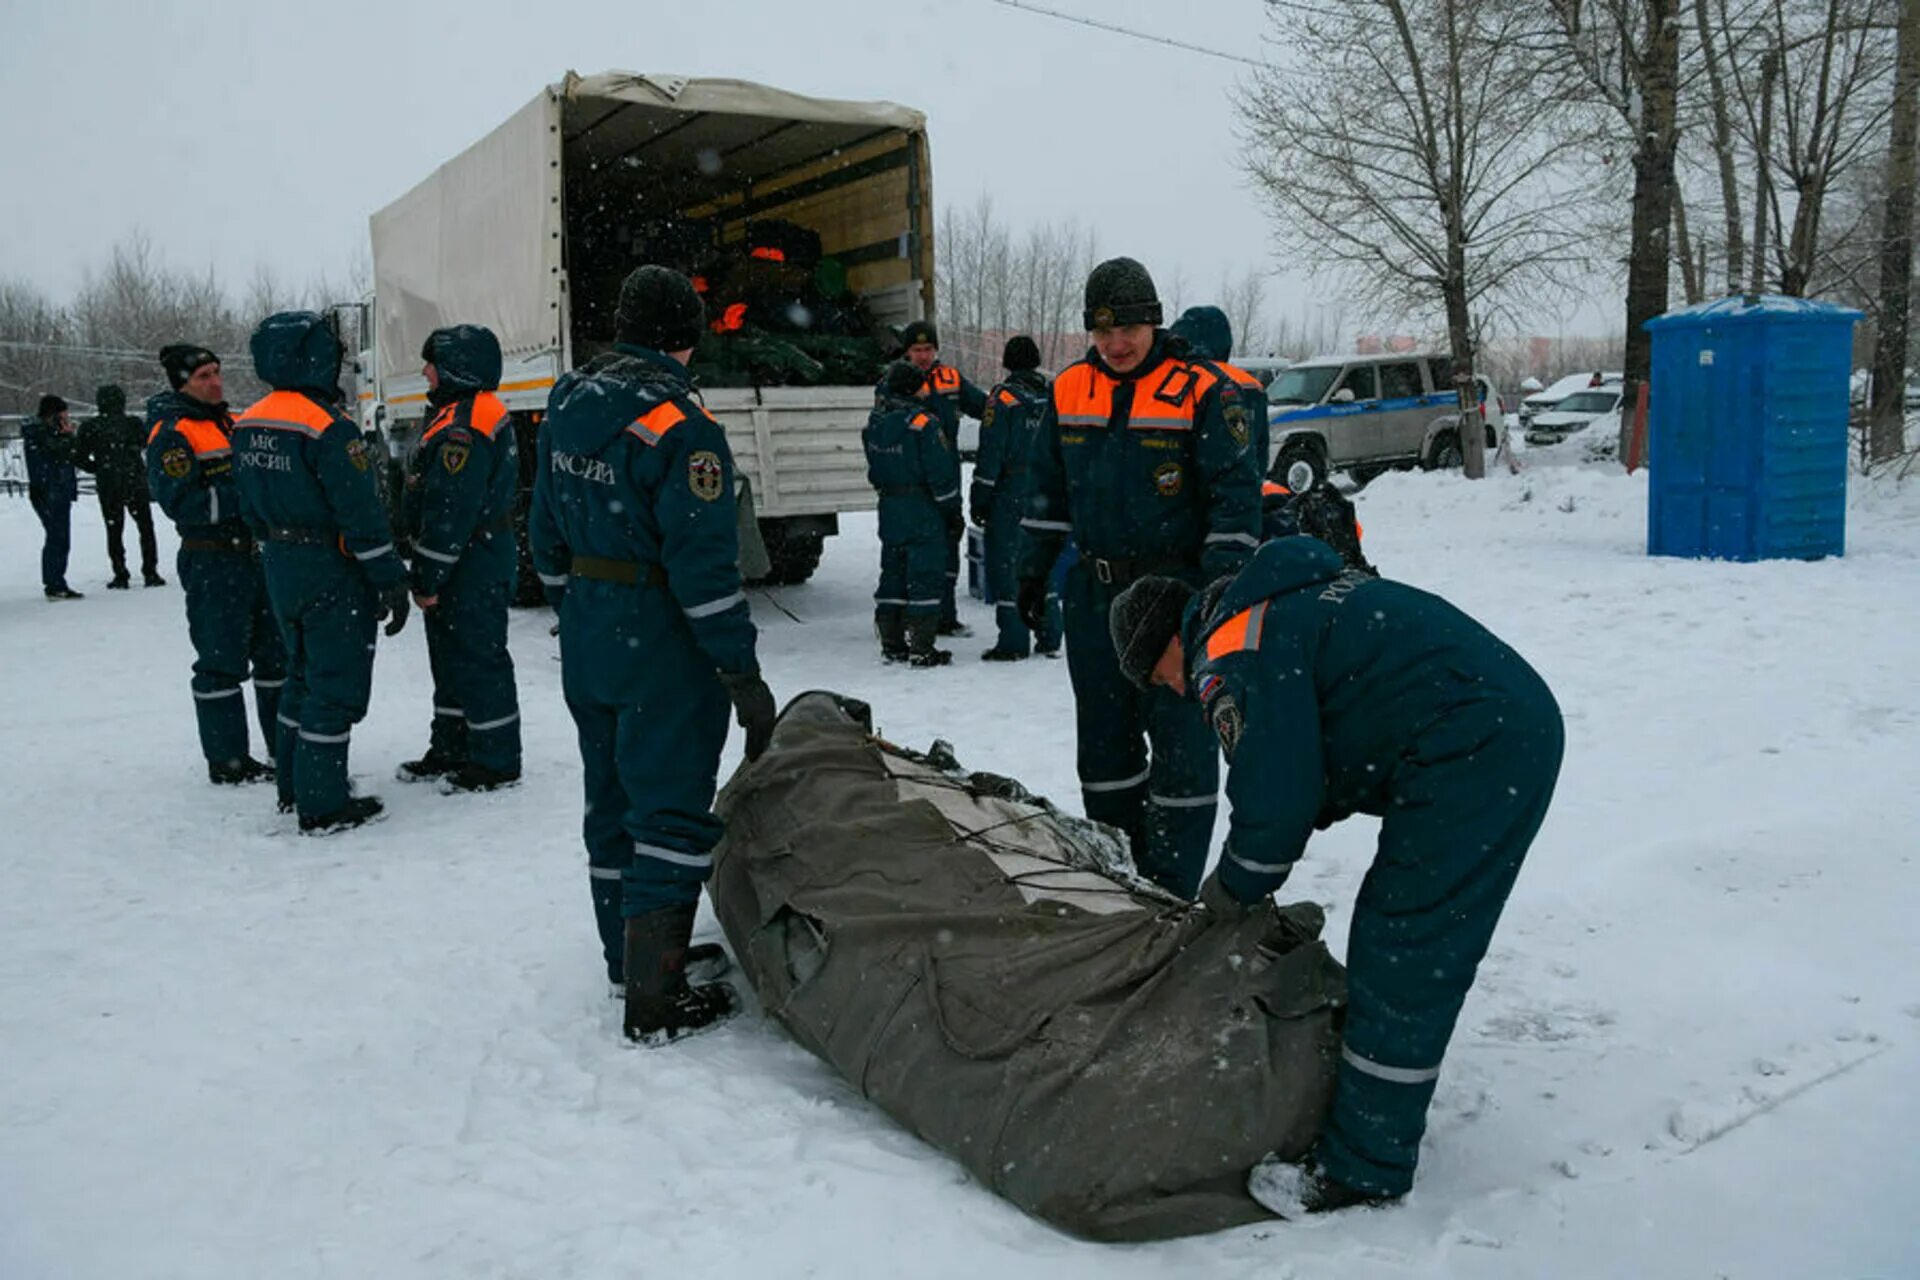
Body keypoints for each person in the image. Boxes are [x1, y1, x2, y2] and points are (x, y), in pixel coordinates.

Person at [1107, 542, 1563, 1212]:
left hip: (1476, 746)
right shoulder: (1269, 608)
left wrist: (1229, 894)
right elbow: (1321, 750)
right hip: (1497, 722)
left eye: (1158, 675)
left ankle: (1363, 1167)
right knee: (1405, 935)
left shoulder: (1228, 651)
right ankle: (1374, 1114)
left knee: (1404, 945)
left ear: (1167, 642)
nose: (1171, 689)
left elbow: (1276, 797)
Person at [529, 264, 776, 1044]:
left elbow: (542, 528)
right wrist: (738, 667)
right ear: (686, 337)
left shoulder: (566, 402)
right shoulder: (683, 427)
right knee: (668, 808)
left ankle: (624, 957)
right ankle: (657, 999)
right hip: (659, 635)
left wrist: (578, 597)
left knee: (610, 799)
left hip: (590, 628)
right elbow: (703, 567)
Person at [1015, 257, 1261, 898]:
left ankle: (1172, 891)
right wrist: (1031, 576)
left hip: (1176, 598)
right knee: (1104, 751)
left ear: (1152, 321)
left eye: (1128, 329)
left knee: (1182, 750)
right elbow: (1045, 494)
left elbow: (1234, 505)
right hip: (1095, 598)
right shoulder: (1067, 390)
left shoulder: (1203, 391)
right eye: (1102, 333)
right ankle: (1124, 882)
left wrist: (1216, 599)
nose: (1116, 345)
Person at [231, 312, 410, 834]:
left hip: (279, 562)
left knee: (300, 676)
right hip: (329, 566)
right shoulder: (328, 427)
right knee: (335, 685)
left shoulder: (248, 422)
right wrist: (388, 577)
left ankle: (293, 786)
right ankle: (323, 803)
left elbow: (247, 502)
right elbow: (361, 512)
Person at [145, 343, 286, 785]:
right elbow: (182, 503)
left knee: (274, 657)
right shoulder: (172, 433)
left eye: (217, 373)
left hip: (254, 558)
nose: (216, 382)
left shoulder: (231, 422)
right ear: (182, 382)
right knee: (220, 662)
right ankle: (227, 760)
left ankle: (285, 746)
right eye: (204, 376)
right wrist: (246, 500)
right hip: (212, 561)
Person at [395, 324, 522, 793]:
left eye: (431, 362)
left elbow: (450, 513)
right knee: (450, 658)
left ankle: (495, 758)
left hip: (471, 562)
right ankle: (451, 745)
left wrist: (426, 576)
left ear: (455, 368)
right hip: (469, 559)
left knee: (477, 656)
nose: (425, 371)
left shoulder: (464, 426)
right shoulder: (460, 413)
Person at [864, 360, 962, 667]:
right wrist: (951, 511)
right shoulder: (924, 424)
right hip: (922, 509)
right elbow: (940, 474)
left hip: (890, 507)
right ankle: (922, 646)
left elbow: (873, 470)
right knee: (925, 575)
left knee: (892, 571)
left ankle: (891, 642)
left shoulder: (875, 424)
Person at [969, 335, 1059, 660]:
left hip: (1011, 490)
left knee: (1007, 565)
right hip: (1045, 490)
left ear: (1007, 363)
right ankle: (1049, 633)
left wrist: (980, 496)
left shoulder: (1003, 399)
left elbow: (991, 452)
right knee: (1040, 562)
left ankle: (1014, 639)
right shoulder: (1051, 397)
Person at [893, 319, 986, 635]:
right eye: (917, 350)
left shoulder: (951, 378)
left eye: (928, 349)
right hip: (912, 485)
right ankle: (913, 620)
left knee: (948, 545)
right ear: (906, 351)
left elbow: (984, 407)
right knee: (913, 554)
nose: (923, 356)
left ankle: (946, 616)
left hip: (947, 481)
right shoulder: (894, 381)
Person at [75, 384, 164, 588]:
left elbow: (78, 456)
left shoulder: (91, 427)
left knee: (114, 529)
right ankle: (150, 571)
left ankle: (120, 573)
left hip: (109, 483)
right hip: (134, 480)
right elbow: (147, 443)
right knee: (145, 527)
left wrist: (97, 468)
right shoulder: (132, 423)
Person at [1169, 305, 1270, 476]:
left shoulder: (1179, 380)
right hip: (1244, 484)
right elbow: (1261, 448)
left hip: (1192, 487)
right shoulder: (1252, 386)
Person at [23, 395, 83, 600]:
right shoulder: (41, 434)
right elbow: (61, 453)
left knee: (58, 537)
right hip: (50, 490)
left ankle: (55, 581)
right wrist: (66, 437)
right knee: (58, 537)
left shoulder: (41, 433)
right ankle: (54, 583)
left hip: (53, 489)